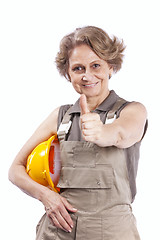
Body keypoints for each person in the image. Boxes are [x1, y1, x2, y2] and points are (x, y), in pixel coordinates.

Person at [9, 26, 147, 240]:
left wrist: (102, 132)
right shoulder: (60, 116)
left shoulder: (132, 111)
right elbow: (15, 170)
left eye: (95, 65)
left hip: (114, 232)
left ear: (110, 66)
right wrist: (46, 196)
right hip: (58, 232)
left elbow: (122, 133)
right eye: (78, 68)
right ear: (67, 73)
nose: (87, 76)